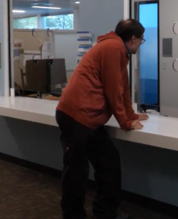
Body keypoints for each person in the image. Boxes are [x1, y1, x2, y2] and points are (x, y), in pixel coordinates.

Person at [55, 19, 149, 219]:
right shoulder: (114, 48)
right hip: (76, 116)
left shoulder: (117, 49)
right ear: (133, 38)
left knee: (109, 163)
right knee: (76, 173)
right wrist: (125, 122)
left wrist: (131, 115)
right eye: (142, 40)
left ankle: (105, 213)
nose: (141, 43)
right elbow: (113, 90)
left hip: (88, 118)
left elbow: (122, 87)